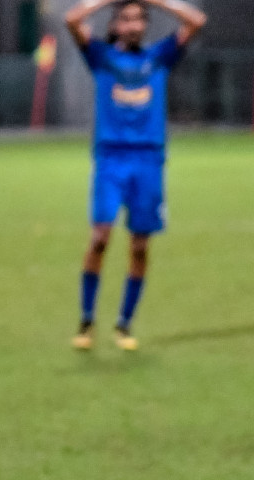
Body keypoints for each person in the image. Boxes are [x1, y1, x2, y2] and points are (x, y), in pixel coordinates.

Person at [65, 0, 205, 352]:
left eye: (139, 20)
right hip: (111, 159)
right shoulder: (100, 56)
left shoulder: (158, 57)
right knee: (100, 237)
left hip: (148, 161)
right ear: (115, 24)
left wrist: (156, 3)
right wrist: (108, 2)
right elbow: (71, 19)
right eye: (126, 19)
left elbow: (197, 21)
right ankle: (86, 319)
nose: (133, 25)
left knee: (140, 246)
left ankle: (124, 324)